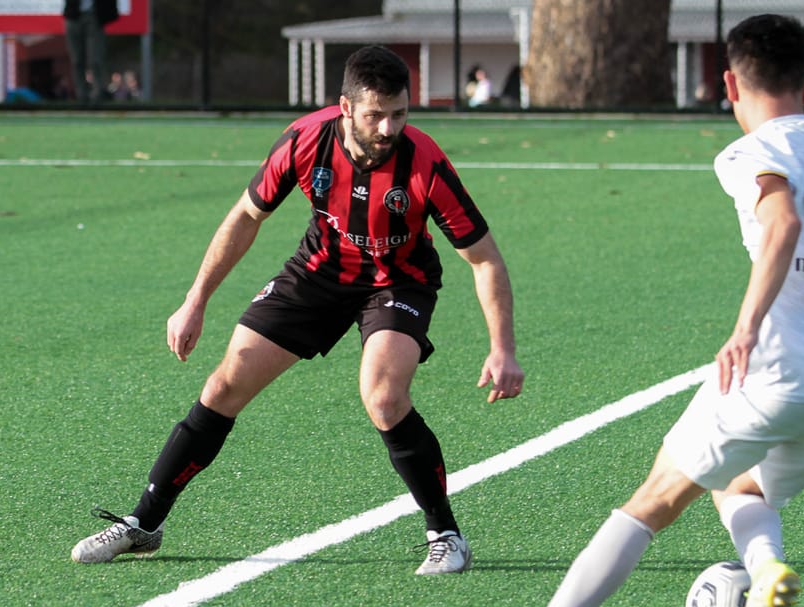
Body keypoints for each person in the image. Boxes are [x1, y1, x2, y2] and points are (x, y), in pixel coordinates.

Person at [467, 13, 804, 607]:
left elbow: (783, 222)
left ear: (729, 85)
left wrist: (745, 328)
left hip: (774, 373)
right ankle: (765, 570)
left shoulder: (751, 150)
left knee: (654, 497)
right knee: (741, 484)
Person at [71, 45, 524, 575]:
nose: (387, 128)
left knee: (383, 395)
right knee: (223, 385)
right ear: (345, 107)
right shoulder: (306, 140)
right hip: (318, 273)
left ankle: (445, 533)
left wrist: (502, 348)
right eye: (375, 115)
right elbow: (246, 216)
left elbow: (484, 258)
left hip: (398, 279)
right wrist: (195, 300)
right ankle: (143, 524)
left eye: (398, 114)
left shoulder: (425, 163)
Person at [63, 0, 119, 104]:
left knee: (95, 59)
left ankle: (98, 94)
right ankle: (81, 95)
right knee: (77, 60)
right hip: (73, 15)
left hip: (94, 15)